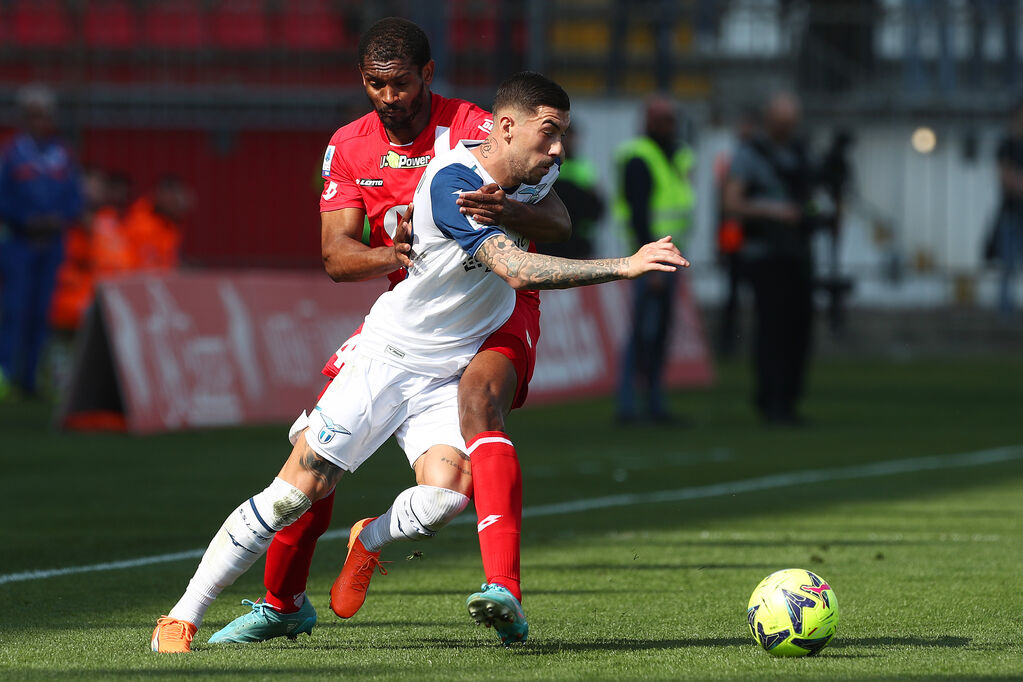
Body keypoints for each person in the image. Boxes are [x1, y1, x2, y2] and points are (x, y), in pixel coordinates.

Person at [150, 70, 687, 653]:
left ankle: (370, 539)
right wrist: (625, 265)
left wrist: (510, 208)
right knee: (294, 493)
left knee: (449, 494)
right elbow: (518, 270)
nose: (559, 149)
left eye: (562, 134)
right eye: (549, 133)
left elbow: (557, 221)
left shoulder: (535, 169)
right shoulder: (452, 183)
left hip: (450, 367)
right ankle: (184, 616)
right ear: (506, 128)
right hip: (392, 353)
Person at [197, 17, 572, 648]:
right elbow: (336, 257)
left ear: (427, 75)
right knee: (312, 465)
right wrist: (395, 256)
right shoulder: (348, 146)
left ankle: (503, 588)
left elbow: (556, 214)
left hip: (500, 300)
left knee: (479, 410)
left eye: (401, 84)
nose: (389, 97)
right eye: (376, 85)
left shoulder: (480, 127)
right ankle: (282, 601)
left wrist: (512, 213)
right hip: (411, 315)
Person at [723, 92, 815, 425]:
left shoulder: (802, 152)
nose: (787, 129)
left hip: (798, 252)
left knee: (798, 328)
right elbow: (732, 202)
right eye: (781, 123)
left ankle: (790, 398)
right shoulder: (750, 154)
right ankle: (770, 399)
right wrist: (773, 211)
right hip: (765, 254)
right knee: (772, 328)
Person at [614, 96, 695, 423]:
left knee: (658, 334)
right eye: (664, 120)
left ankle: (651, 403)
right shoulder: (640, 158)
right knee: (644, 333)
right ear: (649, 122)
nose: (670, 126)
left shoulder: (674, 156)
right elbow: (638, 215)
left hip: (669, 259)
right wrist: (653, 264)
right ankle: (630, 405)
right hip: (652, 261)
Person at [0, 84, 83, 398]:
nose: (39, 122)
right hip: (19, 242)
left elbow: (75, 196)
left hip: (52, 242)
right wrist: (24, 218)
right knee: (14, 309)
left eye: (44, 116)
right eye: (33, 116)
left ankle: (32, 377)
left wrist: (61, 217)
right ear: (24, 118)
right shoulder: (11, 153)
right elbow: (2, 196)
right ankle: (4, 373)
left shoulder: (61, 155)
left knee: (42, 311)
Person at [539, 124, 604, 259]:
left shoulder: (584, 167)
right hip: (547, 239)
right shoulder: (544, 165)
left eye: (568, 136)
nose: (566, 141)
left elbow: (597, 205)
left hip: (576, 240)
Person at [121, 174, 191, 272]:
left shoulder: (168, 224)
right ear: (163, 195)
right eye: (175, 200)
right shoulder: (141, 224)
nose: (180, 204)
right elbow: (145, 268)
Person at [994, 99, 1023, 318]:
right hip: (1011, 214)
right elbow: (1007, 179)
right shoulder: (1006, 145)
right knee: (1007, 266)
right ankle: (1005, 312)